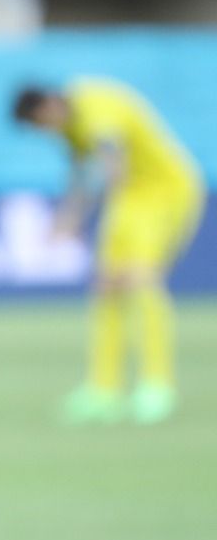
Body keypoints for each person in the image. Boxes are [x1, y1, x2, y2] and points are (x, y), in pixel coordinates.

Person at [13, 80, 205, 425]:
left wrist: (94, 201)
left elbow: (113, 161)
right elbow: (81, 174)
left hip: (164, 191)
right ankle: (105, 389)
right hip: (129, 198)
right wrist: (67, 220)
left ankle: (157, 385)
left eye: (40, 125)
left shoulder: (94, 104)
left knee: (141, 280)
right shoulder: (69, 128)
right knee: (106, 286)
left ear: (48, 107)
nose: (45, 132)